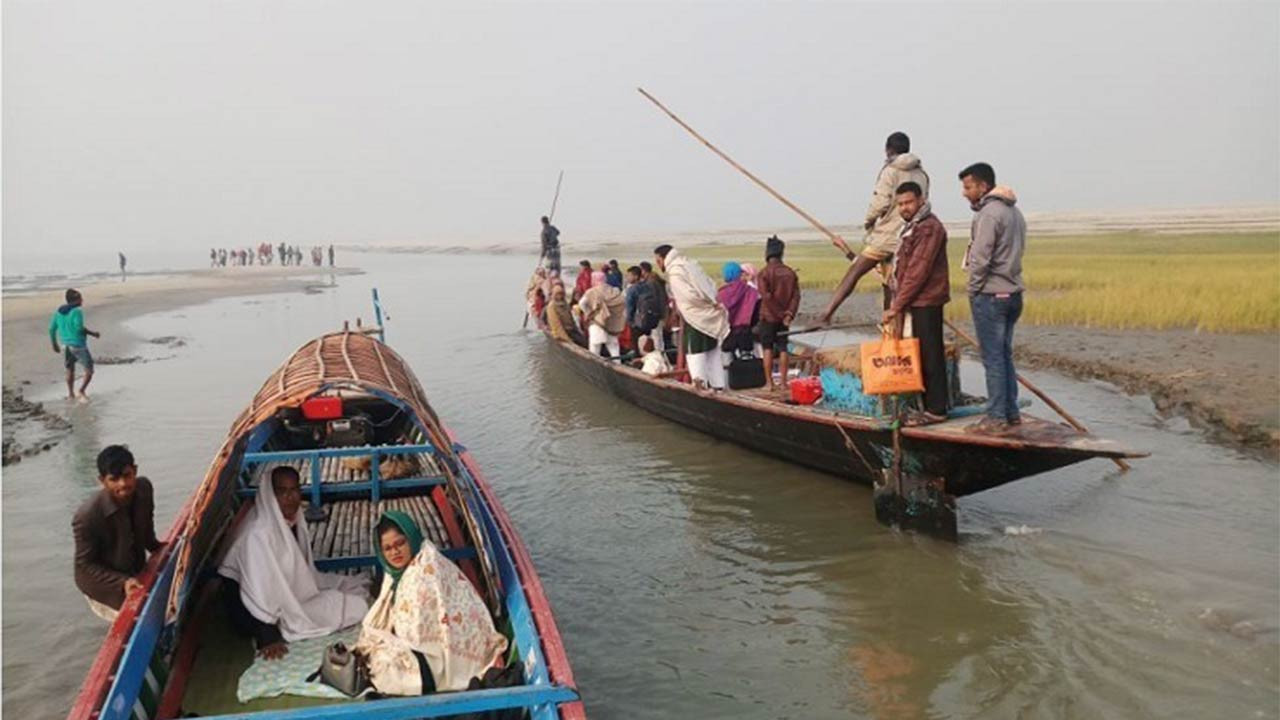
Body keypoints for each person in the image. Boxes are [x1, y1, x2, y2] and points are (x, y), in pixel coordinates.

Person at [218, 466, 369, 660]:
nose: (290, 497)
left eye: (294, 490)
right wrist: (268, 637)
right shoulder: (257, 534)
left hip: (283, 599)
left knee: (352, 591)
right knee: (359, 607)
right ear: (271, 494)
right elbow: (258, 592)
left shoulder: (288, 518)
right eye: (282, 491)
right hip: (252, 615)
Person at [355, 511, 508, 695]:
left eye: (400, 544)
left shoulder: (424, 570)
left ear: (411, 538)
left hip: (434, 657)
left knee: (382, 670)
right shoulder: (394, 573)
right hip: (421, 649)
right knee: (373, 658)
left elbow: (416, 632)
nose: (395, 552)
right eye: (387, 548)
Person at [821, 131, 931, 324]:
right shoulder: (922, 175)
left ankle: (825, 315)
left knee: (856, 271)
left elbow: (880, 203)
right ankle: (893, 333)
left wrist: (869, 222)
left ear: (888, 150)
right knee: (892, 284)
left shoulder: (890, 171)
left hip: (888, 235)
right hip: (911, 236)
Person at [959, 162, 1026, 431]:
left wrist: (973, 289)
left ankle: (996, 416)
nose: (964, 193)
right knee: (1004, 355)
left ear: (983, 186)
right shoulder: (1014, 212)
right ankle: (1011, 412)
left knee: (993, 358)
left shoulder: (989, 214)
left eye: (968, 187)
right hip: (1013, 293)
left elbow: (981, 258)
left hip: (992, 295)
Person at [881, 182, 949, 423]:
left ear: (921, 200)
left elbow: (917, 272)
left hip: (926, 300)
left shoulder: (929, 228)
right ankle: (927, 406)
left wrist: (896, 306)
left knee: (931, 354)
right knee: (920, 353)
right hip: (916, 300)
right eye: (900, 204)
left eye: (908, 202)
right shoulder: (912, 227)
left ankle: (936, 410)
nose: (904, 208)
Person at [73, 445, 161, 622]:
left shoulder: (144, 488)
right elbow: (85, 565)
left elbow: (146, 522)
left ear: (135, 471)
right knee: (134, 621)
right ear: (102, 481)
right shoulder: (87, 516)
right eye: (114, 479)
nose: (123, 484)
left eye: (127, 476)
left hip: (132, 567)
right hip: (103, 584)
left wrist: (156, 547)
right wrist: (122, 583)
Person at [655, 245, 729, 389]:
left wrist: (690, 310)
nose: (658, 264)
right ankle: (719, 387)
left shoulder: (676, 272)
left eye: (658, 260)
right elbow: (709, 287)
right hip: (709, 315)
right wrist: (710, 304)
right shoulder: (690, 264)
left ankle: (700, 388)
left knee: (695, 355)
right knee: (712, 353)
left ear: (664, 258)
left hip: (694, 319)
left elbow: (688, 297)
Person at [757, 236, 799, 392]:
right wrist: (788, 314)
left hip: (768, 317)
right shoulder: (790, 273)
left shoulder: (764, 273)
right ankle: (783, 383)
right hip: (784, 319)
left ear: (767, 254)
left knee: (767, 348)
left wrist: (779, 313)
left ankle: (769, 384)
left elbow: (766, 297)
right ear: (781, 253)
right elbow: (796, 297)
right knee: (783, 347)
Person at [50, 289, 100, 401]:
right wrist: (93, 333)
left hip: (65, 346)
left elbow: (51, 329)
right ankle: (81, 390)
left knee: (70, 370)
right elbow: (79, 328)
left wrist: (54, 344)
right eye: (80, 298)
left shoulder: (58, 313)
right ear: (75, 300)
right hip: (78, 345)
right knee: (89, 370)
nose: (82, 300)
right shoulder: (77, 312)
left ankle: (70, 394)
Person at [717, 261, 760, 357]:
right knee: (747, 359)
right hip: (746, 331)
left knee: (727, 358)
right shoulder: (751, 290)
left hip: (727, 332)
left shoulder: (722, 293)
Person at [577, 270, 625, 357]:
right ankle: (617, 363)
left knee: (595, 349)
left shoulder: (592, 292)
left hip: (597, 324)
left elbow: (581, 303)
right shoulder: (614, 290)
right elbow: (622, 301)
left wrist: (589, 313)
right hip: (612, 324)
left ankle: (594, 364)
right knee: (614, 349)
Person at [624, 266, 660, 348]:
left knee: (636, 345)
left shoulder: (632, 289)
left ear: (636, 276)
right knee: (647, 344)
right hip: (648, 319)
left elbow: (629, 307)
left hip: (636, 322)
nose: (627, 278)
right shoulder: (648, 286)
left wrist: (630, 321)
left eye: (629, 275)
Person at [544, 282, 587, 347]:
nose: (560, 296)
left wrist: (577, 330)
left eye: (561, 294)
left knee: (585, 342)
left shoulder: (565, 303)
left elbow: (571, 319)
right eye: (558, 294)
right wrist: (567, 339)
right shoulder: (551, 306)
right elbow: (557, 325)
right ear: (554, 294)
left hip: (571, 330)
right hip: (563, 332)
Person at [640, 261, 670, 352]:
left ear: (644, 271)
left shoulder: (651, 283)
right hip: (659, 312)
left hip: (654, 313)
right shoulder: (655, 280)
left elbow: (655, 299)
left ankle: (659, 355)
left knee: (656, 337)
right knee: (658, 336)